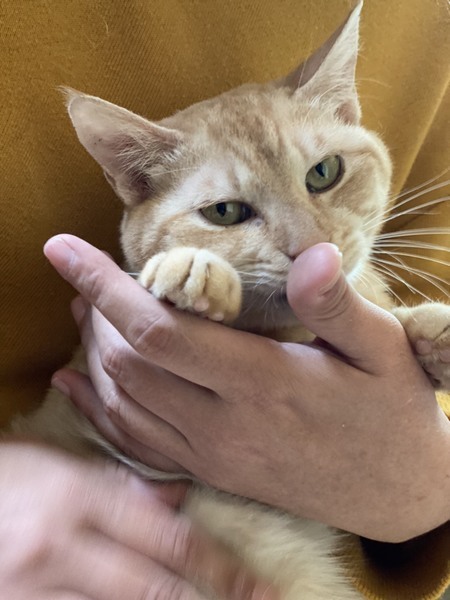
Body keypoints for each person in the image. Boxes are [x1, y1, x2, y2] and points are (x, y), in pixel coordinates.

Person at [1, 1, 448, 598]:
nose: (310, 243)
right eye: (228, 211)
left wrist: (434, 473)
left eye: (323, 175)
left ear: (348, 112)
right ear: (136, 181)